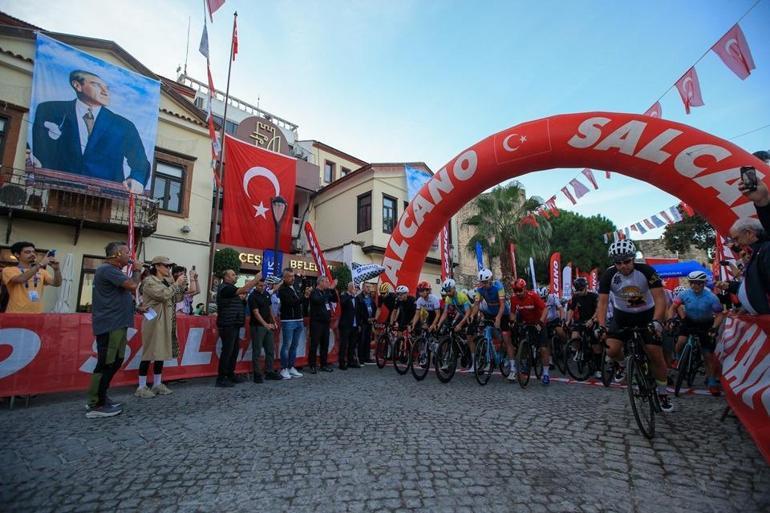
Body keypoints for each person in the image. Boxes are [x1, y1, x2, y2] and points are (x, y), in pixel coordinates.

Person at [31, 70, 150, 192]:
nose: (105, 92)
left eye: (107, 88)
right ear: (77, 85)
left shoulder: (123, 125)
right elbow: (38, 147)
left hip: (105, 197)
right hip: (56, 189)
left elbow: (140, 161)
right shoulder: (51, 110)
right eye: (97, 85)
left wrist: (137, 179)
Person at [596, 240, 673, 413]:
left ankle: (662, 393)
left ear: (633, 259)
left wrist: (657, 321)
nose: (623, 266)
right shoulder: (609, 275)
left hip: (646, 315)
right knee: (611, 350)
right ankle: (623, 365)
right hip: (622, 316)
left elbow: (660, 299)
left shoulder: (646, 271)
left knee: (655, 354)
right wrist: (601, 326)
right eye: (618, 263)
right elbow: (602, 304)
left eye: (627, 261)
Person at [85, 241, 142, 418]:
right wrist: (138, 270)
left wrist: (138, 308)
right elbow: (133, 286)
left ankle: (102, 396)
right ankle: (96, 403)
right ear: (117, 254)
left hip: (118, 322)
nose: (130, 256)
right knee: (106, 362)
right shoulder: (107, 270)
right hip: (110, 324)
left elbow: (124, 295)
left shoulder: (115, 272)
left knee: (116, 361)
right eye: (126, 252)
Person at [135, 256, 187, 398]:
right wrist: (176, 284)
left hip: (166, 320)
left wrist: (182, 286)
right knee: (149, 352)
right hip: (154, 320)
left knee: (161, 352)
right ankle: (141, 386)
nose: (168, 269)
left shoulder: (167, 282)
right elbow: (162, 295)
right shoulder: (149, 281)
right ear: (157, 266)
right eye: (166, 266)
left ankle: (157, 384)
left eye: (169, 266)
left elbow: (177, 298)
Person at [672, 271, 724, 396]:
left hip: (706, 324)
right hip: (689, 321)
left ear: (704, 283)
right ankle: (678, 359)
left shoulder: (711, 297)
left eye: (699, 283)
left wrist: (714, 327)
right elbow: (673, 306)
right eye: (692, 283)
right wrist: (672, 318)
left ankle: (712, 382)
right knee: (681, 341)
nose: (695, 286)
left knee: (707, 355)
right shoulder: (685, 294)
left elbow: (719, 314)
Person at [215, 270, 261, 387]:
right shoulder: (225, 288)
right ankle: (221, 378)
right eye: (232, 275)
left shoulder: (231, 289)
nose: (235, 276)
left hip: (234, 324)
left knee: (234, 351)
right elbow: (244, 289)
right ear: (225, 277)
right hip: (227, 324)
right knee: (227, 351)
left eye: (235, 274)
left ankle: (230, 374)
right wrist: (256, 279)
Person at [471, 269, 513, 377]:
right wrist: (472, 315)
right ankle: (488, 360)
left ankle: (513, 367)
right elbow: (476, 305)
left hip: (503, 313)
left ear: (491, 280)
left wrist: (498, 318)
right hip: (490, 313)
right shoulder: (480, 289)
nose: (483, 285)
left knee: (505, 338)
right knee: (486, 334)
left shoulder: (498, 286)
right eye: (482, 282)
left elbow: (502, 305)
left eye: (485, 282)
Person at [509, 279, 550, 384]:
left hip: (539, 322)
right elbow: (513, 312)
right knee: (522, 346)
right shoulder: (514, 298)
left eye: (519, 290)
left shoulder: (533, 296)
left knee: (543, 348)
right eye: (515, 290)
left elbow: (545, 309)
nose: (517, 293)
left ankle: (545, 374)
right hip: (526, 323)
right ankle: (524, 368)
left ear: (525, 288)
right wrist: (512, 322)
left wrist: (541, 322)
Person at [2, 241, 62, 313]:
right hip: (16, 314)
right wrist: (40, 264)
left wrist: (57, 270)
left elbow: (57, 283)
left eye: (33, 252)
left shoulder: (42, 271)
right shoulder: (8, 270)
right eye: (28, 252)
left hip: (37, 314)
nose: (32, 254)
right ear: (17, 254)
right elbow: (21, 279)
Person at [248, 276, 281, 383]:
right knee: (257, 351)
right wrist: (265, 324)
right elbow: (256, 313)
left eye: (263, 285)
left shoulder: (266, 294)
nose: (262, 287)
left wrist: (273, 321)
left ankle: (269, 371)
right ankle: (257, 374)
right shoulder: (252, 296)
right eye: (260, 286)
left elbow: (270, 309)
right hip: (257, 326)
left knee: (270, 349)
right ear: (255, 285)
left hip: (268, 325)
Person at [566, 278, 600, 377]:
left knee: (595, 345)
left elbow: (598, 309)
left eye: (581, 290)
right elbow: (571, 310)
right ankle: (578, 350)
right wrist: (568, 320)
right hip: (581, 320)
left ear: (586, 287)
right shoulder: (576, 296)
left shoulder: (593, 296)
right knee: (574, 336)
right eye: (577, 290)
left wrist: (592, 320)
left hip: (593, 319)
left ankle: (598, 369)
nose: (579, 292)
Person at [276, 268, 305, 380]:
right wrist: (304, 297)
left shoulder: (295, 287)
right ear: (284, 278)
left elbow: (299, 301)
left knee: (294, 345)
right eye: (290, 276)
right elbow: (291, 303)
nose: (292, 278)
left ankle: (291, 366)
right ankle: (284, 368)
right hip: (288, 320)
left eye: (293, 276)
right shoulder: (282, 289)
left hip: (299, 319)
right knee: (286, 345)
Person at [308, 277, 335, 374]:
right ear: (320, 282)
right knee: (314, 344)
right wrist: (329, 289)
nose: (328, 283)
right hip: (316, 322)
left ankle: (324, 364)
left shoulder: (325, 292)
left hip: (325, 323)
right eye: (326, 281)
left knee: (325, 344)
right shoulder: (314, 292)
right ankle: (312, 365)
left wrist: (333, 290)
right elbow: (319, 301)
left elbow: (334, 299)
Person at [339, 282, 362, 370]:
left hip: (355, 324)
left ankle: (351, 361)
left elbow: (358, 311)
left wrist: (359, 324)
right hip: (346, 324)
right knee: (344, 344)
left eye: (355, 287)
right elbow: (343, 303)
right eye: (352, 287)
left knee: (352, 344)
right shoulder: (344, 295)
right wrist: (350, 295)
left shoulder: (356, 298)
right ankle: (342, 362)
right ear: (349, 288)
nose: (354, 289)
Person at [357, 283, 376, 364]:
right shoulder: (359, 297)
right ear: (363, 288)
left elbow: (374, 308)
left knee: (368, 340)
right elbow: (358, 311)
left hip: (370, 322)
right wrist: (366, 318)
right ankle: (361, 358)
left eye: (369, 287)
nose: (368, 288)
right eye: (367, 287)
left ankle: (366, 357)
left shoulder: (371, 298)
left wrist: (373, 317)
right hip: (363, 322)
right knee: (362, 340)